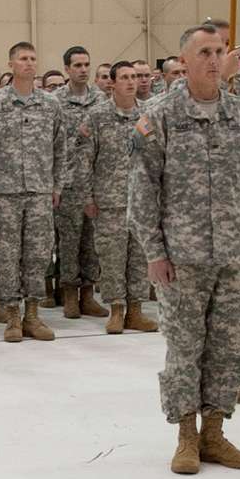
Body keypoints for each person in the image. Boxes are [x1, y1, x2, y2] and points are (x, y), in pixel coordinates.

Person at [129, 24, 240, 476]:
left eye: (219, 51)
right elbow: (143, 189)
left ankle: (215, 432)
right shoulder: (158, 116)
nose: (214, 60)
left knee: (229, 347)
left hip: (234, 253)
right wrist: (154, 251)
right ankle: (186, 437)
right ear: (185, 61)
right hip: (181, 258)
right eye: (204, 52)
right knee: (184, 349)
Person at [0, 41, 66, 344]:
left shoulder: (50, 104)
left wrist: (56, 186)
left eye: (33, 59)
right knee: (6, 255)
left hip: (39, 190)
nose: (29, 63)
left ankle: (33, 315)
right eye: (22, 59)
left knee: (38, 255)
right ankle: (12, 316)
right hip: (4, 192)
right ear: (11, 64)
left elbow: (60, 148)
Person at [79, 61, 156, 335]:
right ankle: (116, 310)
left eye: (134, 77)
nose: (131, 82)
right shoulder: (97, 116)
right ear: (112, 82)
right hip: (109, 200)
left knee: (139, 259)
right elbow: (85, 161)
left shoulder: (149, 114)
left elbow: (158, 156)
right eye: (124, 77)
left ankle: (136, 311)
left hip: (143, 201)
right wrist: (87, 196)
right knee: (112, 258)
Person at [53, 46, 107, 320]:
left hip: (96, 183)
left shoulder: (101, 99)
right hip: (69, 182)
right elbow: (50, 144)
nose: (83, 69)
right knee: (69, 242)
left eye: (87, 64)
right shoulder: (55, 101)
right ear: (67, 69)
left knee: (92, 242)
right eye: (77, 65)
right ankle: (70, 295)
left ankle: (88, 294)